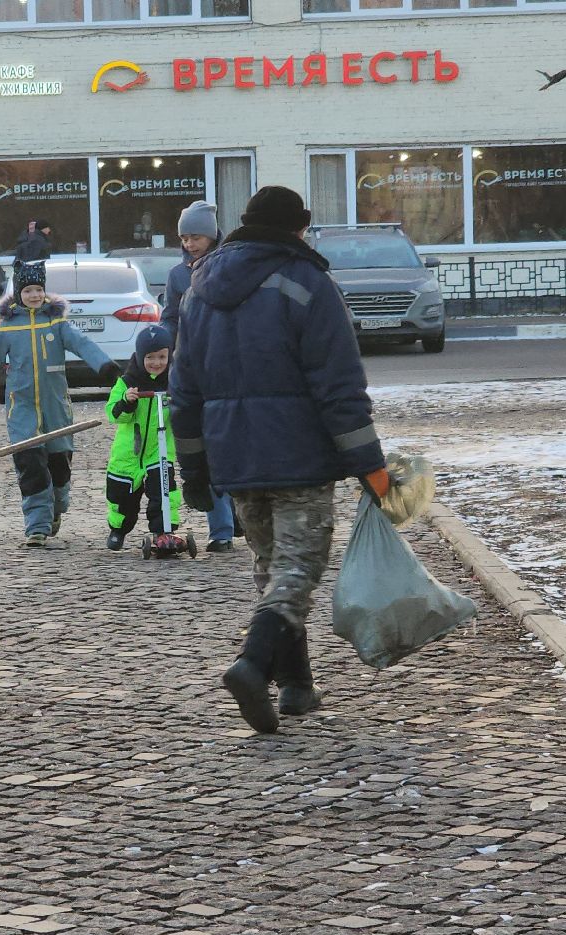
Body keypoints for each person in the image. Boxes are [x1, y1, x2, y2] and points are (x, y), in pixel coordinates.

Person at [171, 185, 393, 735]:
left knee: (271, 567)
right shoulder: (308, 283)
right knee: (296, 569)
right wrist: (370, 465)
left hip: (236, 456)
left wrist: (194, 469)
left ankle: (296, 685)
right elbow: (340, 386)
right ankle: (252, 664)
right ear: (299, 228)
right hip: (300, 457)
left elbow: (184, 390)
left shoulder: (199, 290)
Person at [0, 260, 121, 548]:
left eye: (38, 290)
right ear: (18, 293)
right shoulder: (7, 327)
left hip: (55, 408)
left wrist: (105, 367)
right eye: (28, 290)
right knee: (30, 466)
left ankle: (57, 507)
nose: (34, 295)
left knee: (59, 468)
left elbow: (82, 344)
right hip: (21, 409)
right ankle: (37, 527)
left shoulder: (55, 322)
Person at [162, 200, 235, 554]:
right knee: (202, 449)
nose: (189, 244)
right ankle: (221, 529)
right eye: (184, 238)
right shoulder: (178, 276)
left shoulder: (229, 267)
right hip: (191, 368)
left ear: (212, 236)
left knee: (228, 446)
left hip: (227, 367)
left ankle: (235, 515)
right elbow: (170, 317)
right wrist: (163, 349)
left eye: (196, 237)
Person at [104, 324, 181, 551]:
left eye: (162, 357)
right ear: (140, 357)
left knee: (164, 490)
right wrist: (127, 402)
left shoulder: (175, 381)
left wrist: (179, 403)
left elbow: (185, 411)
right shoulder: (127, 382)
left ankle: (163, 531)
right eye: (150, 357)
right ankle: (118, 529)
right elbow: (113, 414)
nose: (156, 362)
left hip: (160, 448)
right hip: (129, 450)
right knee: (121, 494)